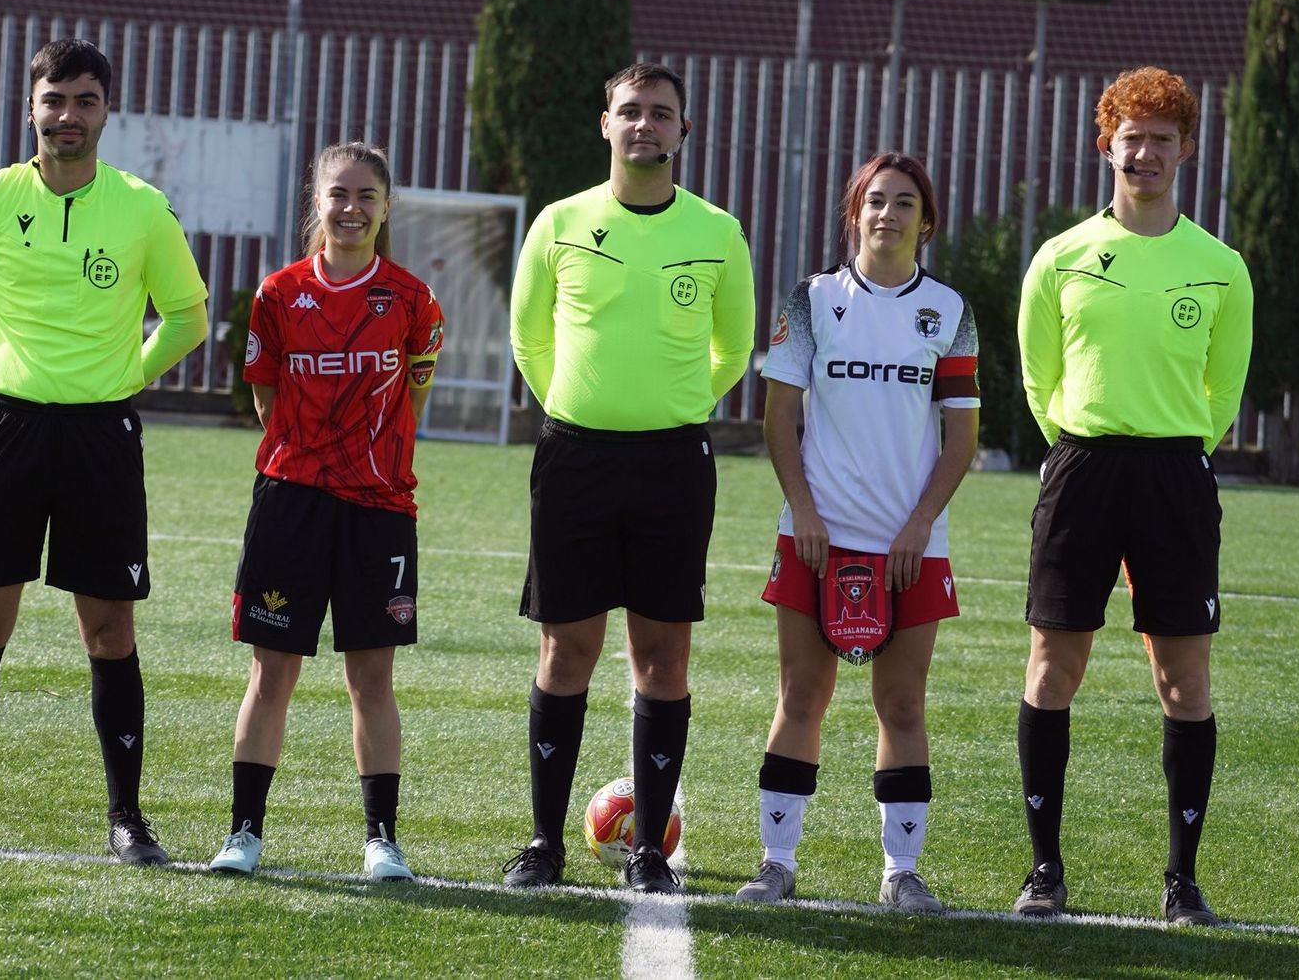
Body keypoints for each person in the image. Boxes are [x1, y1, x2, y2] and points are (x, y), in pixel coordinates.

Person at [0, 39, 209, 865]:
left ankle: (127, 820)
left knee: (109, 628)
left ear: (107, 110)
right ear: (30, 106)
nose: (67, 116)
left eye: (84, 101)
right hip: (6, 431)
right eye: (54, 100)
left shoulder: (143, 208)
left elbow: (188, 317)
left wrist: (124, 379)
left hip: (101, 435)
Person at [502, 62, 755, 894]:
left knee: (661, 653)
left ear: (685, 131)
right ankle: (544, 843)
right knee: (566, 646)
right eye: (631, 111)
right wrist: (575, 405)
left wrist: (673, 403)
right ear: (603, 124)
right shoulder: (560, 222)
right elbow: (529, 337)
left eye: (662, 114)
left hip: (674, 463)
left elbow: (734, 348)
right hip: (573, 456)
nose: (645, 125)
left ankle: (650, 851)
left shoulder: (717, 232)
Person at [1014, 67, 1253, 925]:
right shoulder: (1062, 256)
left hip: (1175, 478)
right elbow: (1040, 381)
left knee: (1183, 679)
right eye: (1131, 135)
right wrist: (1085, 446)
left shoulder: (1220, 267)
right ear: (1104, 143)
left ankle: (1182, 881)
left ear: (1186, 148)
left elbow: (1222, 395)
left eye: (1161, 136)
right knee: (1054, 666)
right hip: (1082, 469)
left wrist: (1170, 448)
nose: (1144, 150)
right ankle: (1046, 871)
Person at [734, 152, 979, 911]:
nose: (888, 214)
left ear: (925, 221)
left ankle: (902, 871)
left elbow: (962, 436)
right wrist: (804, 510)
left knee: (902, 703)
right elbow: (779, 417)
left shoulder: (948, 309)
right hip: (816, 534)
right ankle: (777, 860)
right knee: (801, 693)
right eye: (875, 200)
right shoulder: (810, 300)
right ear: (854, 212)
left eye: (905, 203)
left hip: (912, 544)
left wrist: (918, 523)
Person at [209, 142, 444, 882]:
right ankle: (244, 832)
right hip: (292, 502)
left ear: (386, 204)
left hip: (379, 507)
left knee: (371, 676)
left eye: (366, 195)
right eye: (338, 194)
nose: (351, 208)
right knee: (270, 672)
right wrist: (310, 455)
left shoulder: (413, 301)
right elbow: (265, 399)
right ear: (316, 201)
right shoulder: (277, 296)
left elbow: (413, 397)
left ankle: (382, 839)